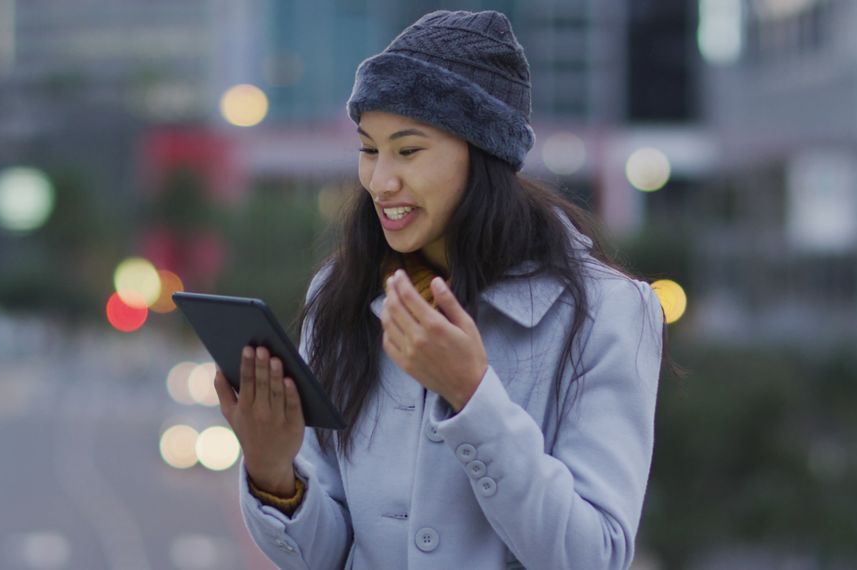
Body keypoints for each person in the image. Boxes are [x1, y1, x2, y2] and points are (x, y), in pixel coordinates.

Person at [214, 9, 666, 570]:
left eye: (408, 151)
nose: (381, 181)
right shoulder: (343, 292)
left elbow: (595, 556)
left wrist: (473, 396)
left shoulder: (609, 311)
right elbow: (327, 555)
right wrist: (273, 472)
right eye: (368, 149)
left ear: (483, 155)